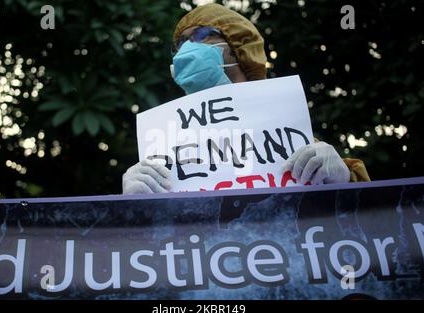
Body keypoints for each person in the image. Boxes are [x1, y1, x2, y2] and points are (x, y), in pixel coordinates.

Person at [122, 3, 370, 194]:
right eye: (180, 43)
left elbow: (372, 220)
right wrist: (131, 206)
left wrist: (346, 179)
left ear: (237, 48)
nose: (187, 49)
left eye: (202, 35)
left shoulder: (286, 133)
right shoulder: (167, 149)